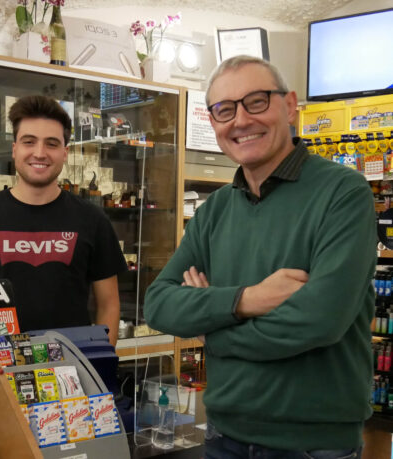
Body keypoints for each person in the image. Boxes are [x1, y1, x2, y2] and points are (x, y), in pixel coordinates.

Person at [144, 55, 376, 457]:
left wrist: (210, 327)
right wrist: (247, 299)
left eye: (256, 102)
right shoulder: (214, 210)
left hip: (312, 445)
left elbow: (319, 321)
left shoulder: (344, 193)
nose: (240, 121)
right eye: (224, 110)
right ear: (214, 122)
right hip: (222, 435)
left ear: (289, 106)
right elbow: (159, 304)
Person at [0, 95, 126, 345]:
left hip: (70, 373)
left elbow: (109, 305)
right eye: (29, 142)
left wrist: (100, 365)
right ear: (15, 149)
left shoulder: (92, 219)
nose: (39, 153)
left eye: (51, 144)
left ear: (65, 153)